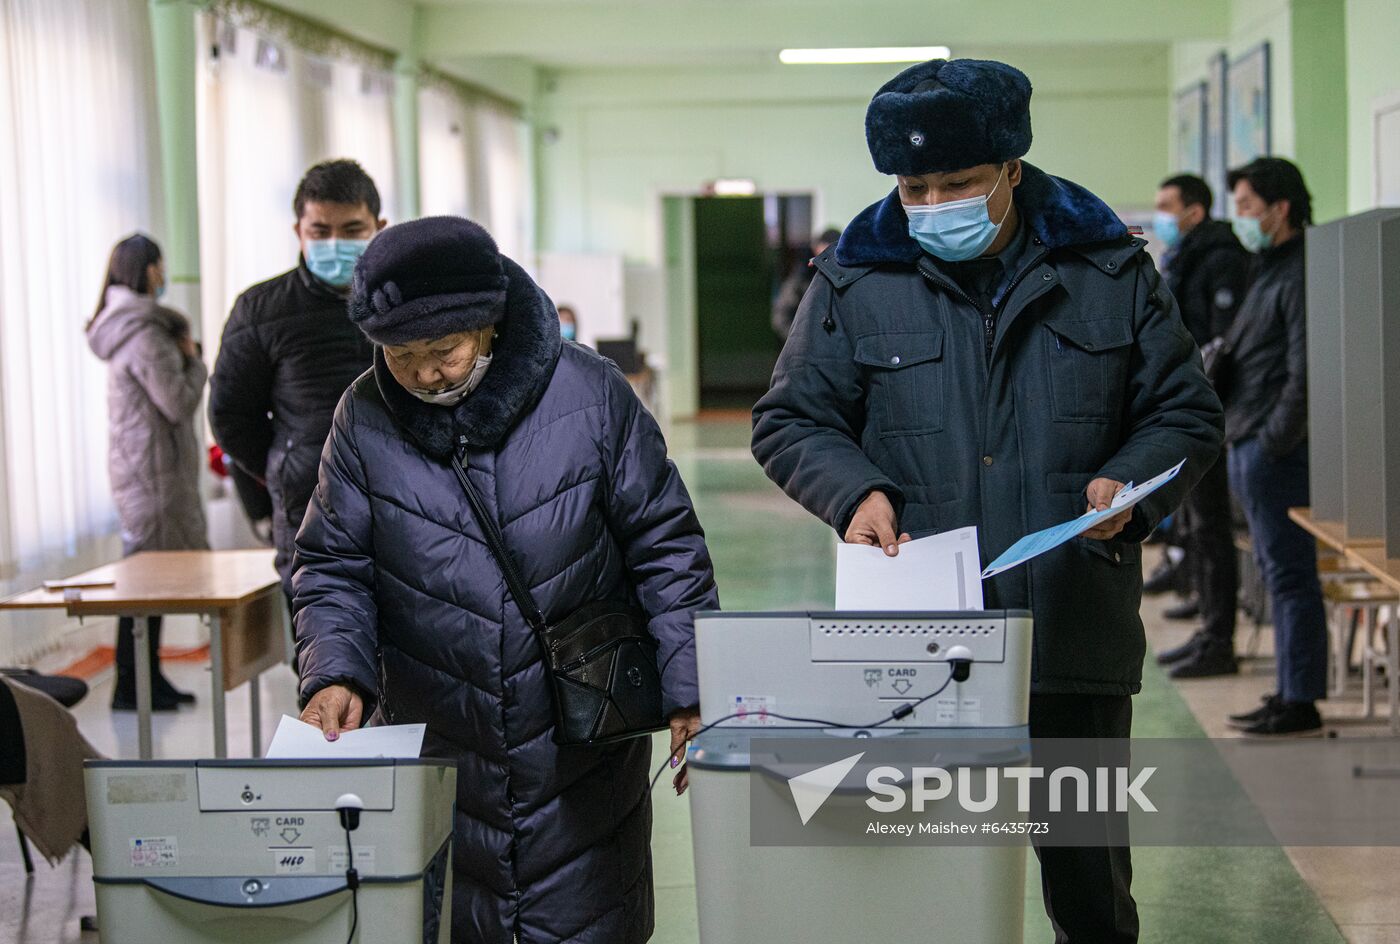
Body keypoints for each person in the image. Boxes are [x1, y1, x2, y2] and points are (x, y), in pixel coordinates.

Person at [751, 59, 1223, 942]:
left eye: (958, 182)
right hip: (921, 650)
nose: (933, 204)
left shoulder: (1108, 271)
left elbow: (1185, 411)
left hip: (1071, 632)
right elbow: (791, 421)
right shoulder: (853, 280)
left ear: (1012, 166)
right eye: (914, 186)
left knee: (1088, 887)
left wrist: (1133, 483)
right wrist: (854, 494)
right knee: (927, 880)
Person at [292, 216, 718, 943]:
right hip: (439, 738)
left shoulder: (592, 395)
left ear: (489, 326)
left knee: (588, 918)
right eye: (402, 355)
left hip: (580, 748)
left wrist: (692, 685)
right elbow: (333, 566)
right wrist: (335, 671)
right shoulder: (362, 419)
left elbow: (665, 545)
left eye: (445, 351)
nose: (425, 372)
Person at [208, 159, 384, 601]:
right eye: (320, 231)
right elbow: (231, 415)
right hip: (310, 510)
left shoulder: (403, 299)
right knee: (323, 655)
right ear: (298, 232)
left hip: (407, 508)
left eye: (352, 229)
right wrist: (286, 462)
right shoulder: (261, 310)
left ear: (379, 227)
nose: (336, 243)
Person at [1220, 157, 1326, 737]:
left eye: (1247, 207)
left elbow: (1303, 371)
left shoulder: (1302, 271)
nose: (1240, 219)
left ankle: (1300, 698)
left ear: (1279, 208)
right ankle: (1290, 688)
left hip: (1270, 446)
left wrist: (1272, 439)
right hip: (1250, 435)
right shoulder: (1269, 268)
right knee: (1275, 569)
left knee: (1289, 574)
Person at [86, 234, 207, 711]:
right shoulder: (144, 331)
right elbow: (176, 402)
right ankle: (132, 686)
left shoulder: (125, 325)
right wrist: (196, 360)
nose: (164, 275)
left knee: (147, 584)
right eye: (160, 266)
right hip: (151, 475)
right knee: (145, 585)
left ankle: (146, 681)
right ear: (148, 271)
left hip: (143, 469)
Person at [1150, 174, 1250, 678]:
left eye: (1167, 207)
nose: (1161, 217)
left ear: (1195, 210)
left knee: (1211, 530)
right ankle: (1206, 622)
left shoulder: (1220, 258)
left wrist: (1198, 404)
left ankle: (1218, 640)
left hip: (1214, 413)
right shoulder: (1186, 257)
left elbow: (1219, 344)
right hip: (1190, 409)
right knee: (1195, 525)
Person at [771, 227, 842, 340]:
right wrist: (802, 341)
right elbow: (781, 318)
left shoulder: (844, 278)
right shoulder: (800, 280)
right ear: (817, 249)